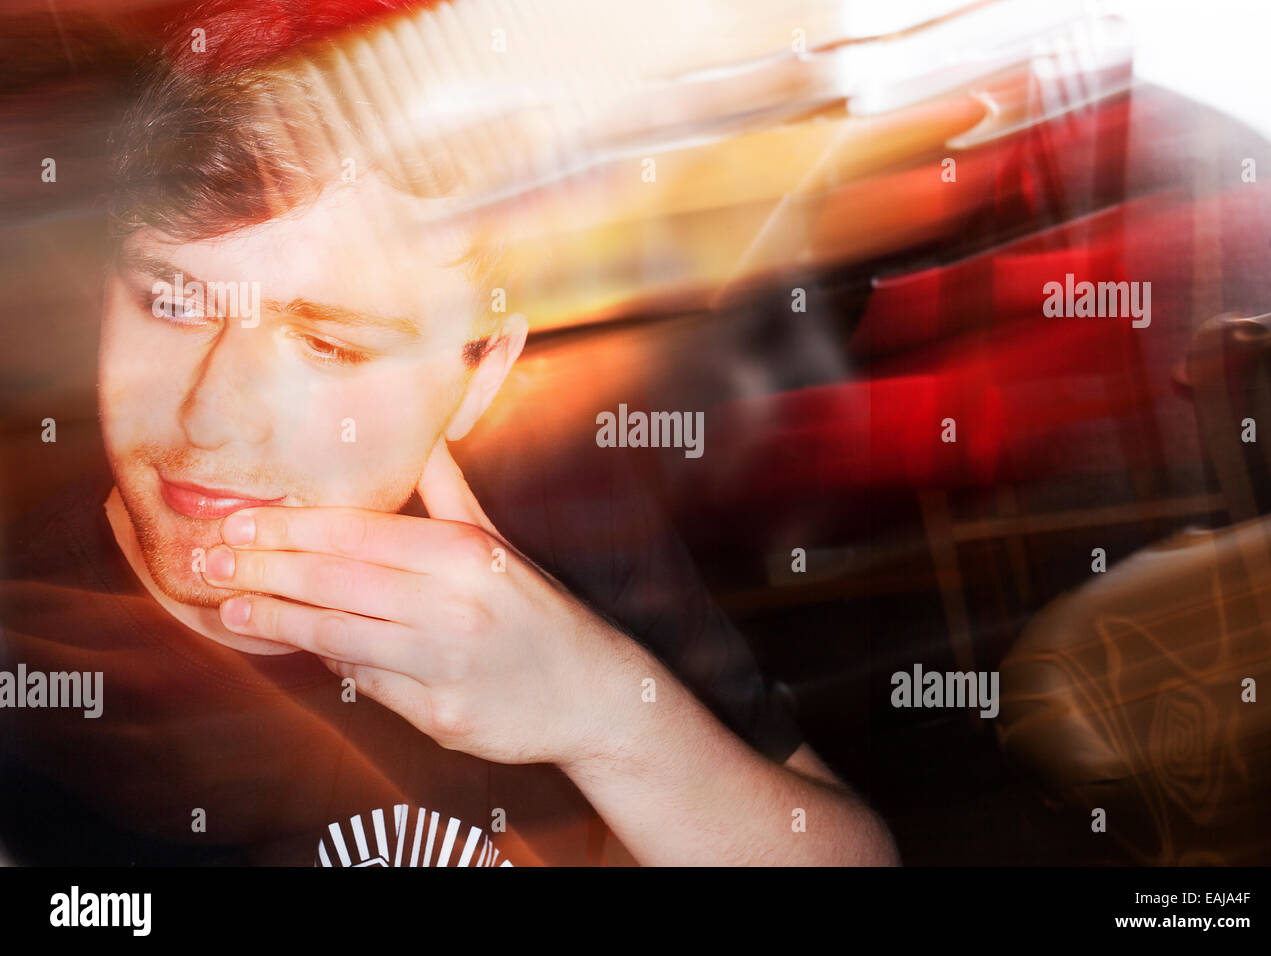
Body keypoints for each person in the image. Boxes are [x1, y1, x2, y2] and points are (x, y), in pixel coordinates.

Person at [0, 0, 897, 866]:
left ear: (482, 373)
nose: (209, 412)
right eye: (171, 300)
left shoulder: (556, 533)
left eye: (327, 343)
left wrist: (613, 722)